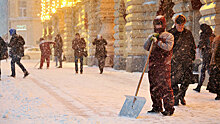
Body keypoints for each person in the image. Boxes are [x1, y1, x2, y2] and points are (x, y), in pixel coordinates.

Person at [144, 15, 175, 116]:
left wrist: (158, 42)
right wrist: (150, 40)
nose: (158, 26)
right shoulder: (152, 36)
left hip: (164, 65)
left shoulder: (168, 36)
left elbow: (168, 47)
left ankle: (169, 108)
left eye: (160, 24)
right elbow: (146, 47)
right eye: (156, 24)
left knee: (165, 86)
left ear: (163, 24)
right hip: (153, 65)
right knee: (154, 86)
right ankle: (156, 106)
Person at [168, 15, 196, 106]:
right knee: (173, 80)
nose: (181, 27)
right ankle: (176, 96)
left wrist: (192, 57)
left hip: (186, 60)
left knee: (186, 80)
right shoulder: (171, 33)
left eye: (182, 25)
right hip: (174, 61)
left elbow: (192, 46)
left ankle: (181, 95)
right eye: (179, 25)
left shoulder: (188, 33)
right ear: (175, 23)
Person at [193, 24, 215, 92]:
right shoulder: (212, 34)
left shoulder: (204, 35)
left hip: (206, 54)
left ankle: (200, 86)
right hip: (211, 54)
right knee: (209, 70)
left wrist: (199, 46)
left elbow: (201, 44)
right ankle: (212, 85)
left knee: (204, 70)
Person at [207, 35, 220, 100]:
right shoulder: (217, 39)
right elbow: (215, 52)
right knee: (217, 78)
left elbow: (214, 51)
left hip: (216, 62)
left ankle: (218, 93)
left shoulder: (217, 39)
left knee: (216, 78)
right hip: (217, 62)